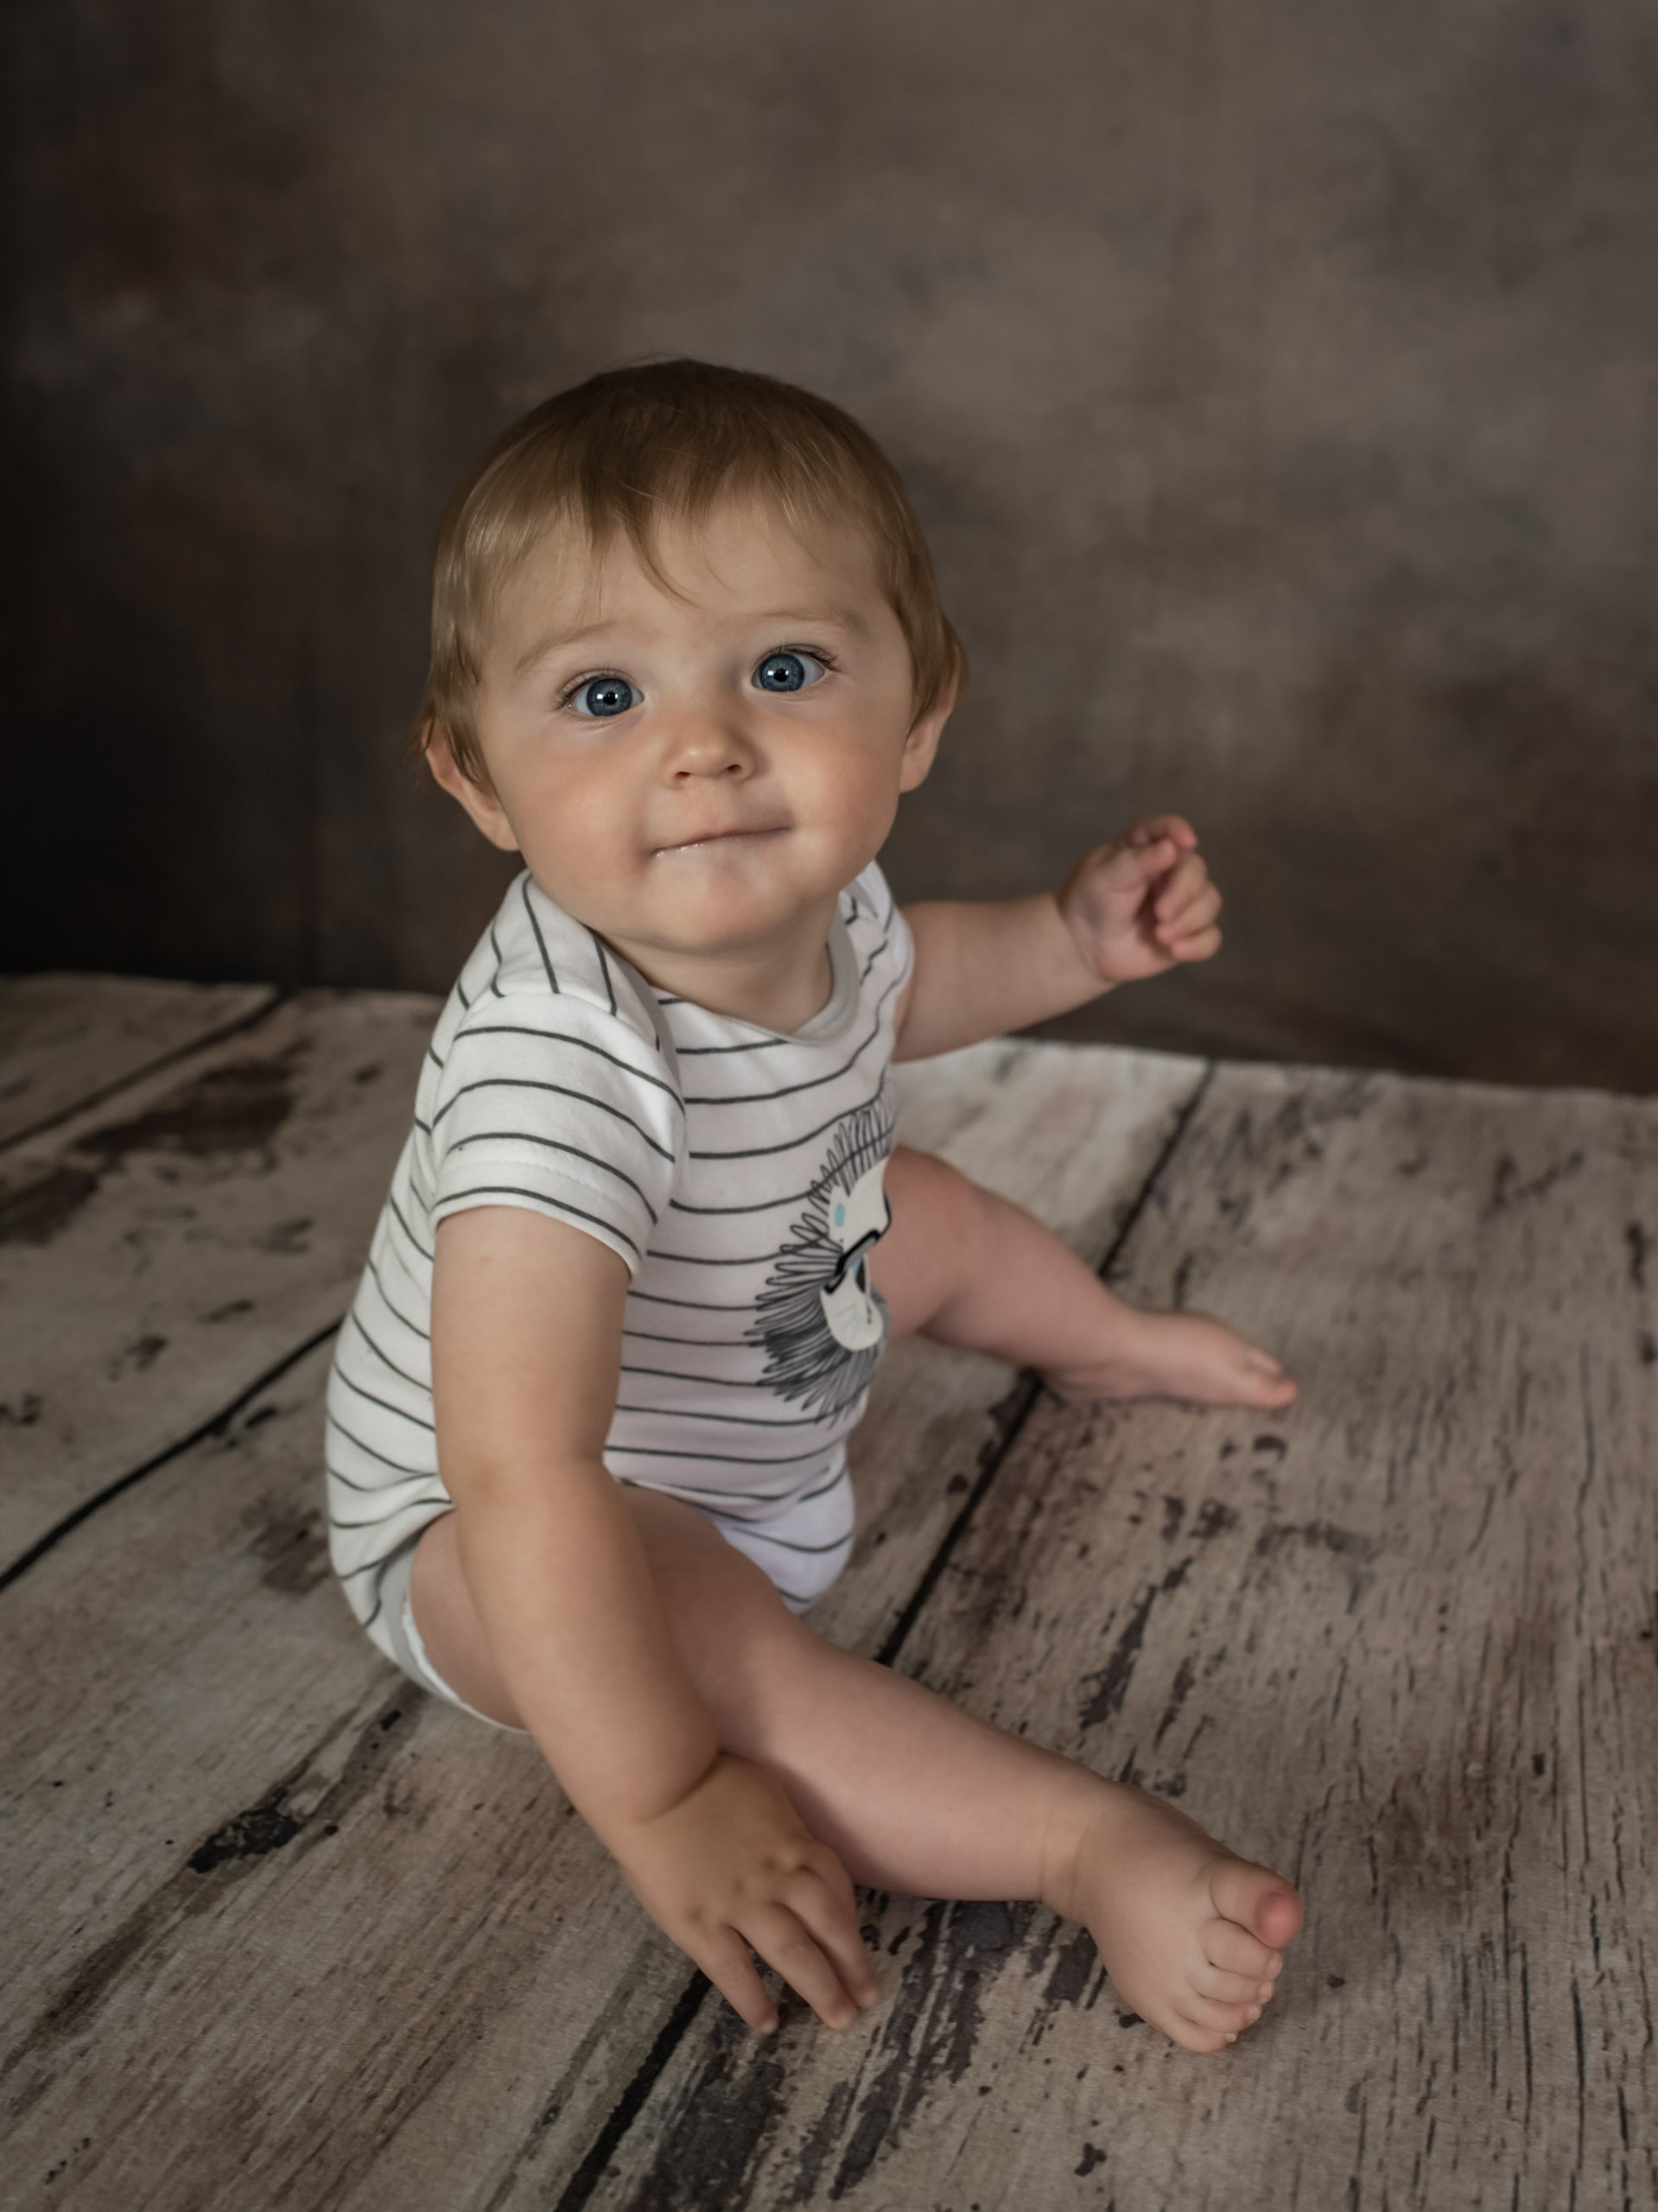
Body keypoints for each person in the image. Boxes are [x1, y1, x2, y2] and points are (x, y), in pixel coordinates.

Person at [326, 359, 1303, 2056]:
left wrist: (1070, 942)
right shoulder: (552, 1072)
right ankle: (1079, 1845)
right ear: (477, 776)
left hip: (754, 1338)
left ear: (918, 709)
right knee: (704, 1627)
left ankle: (1104, 1338)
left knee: (918, 1206)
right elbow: (524, 1469)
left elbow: (907, 988)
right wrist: (666, 1793)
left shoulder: (824, 902)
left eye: (783, 670)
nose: (706, 746)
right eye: (604, 693)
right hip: (506, 1524)